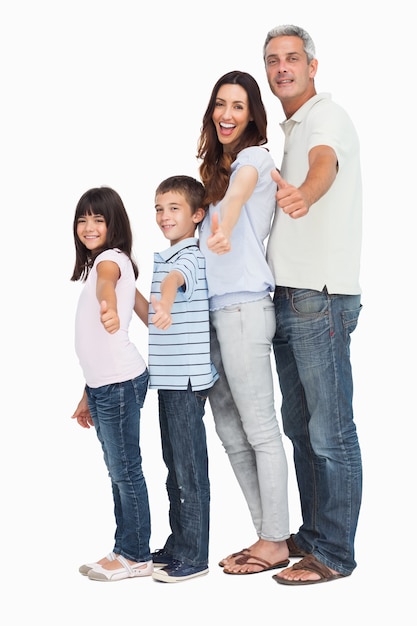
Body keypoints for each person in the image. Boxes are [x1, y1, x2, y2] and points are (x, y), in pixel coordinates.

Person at [263, 24, 363, 585]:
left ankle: (335, 553)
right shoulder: (292, 127)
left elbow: (324, 165)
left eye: (292, 58)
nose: (282, 68)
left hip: (318, 299)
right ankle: (313, 535)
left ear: (312, 65)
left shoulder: (324, 119)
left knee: (330, 432)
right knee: (300, 427)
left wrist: (305, 191)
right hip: (291, 297)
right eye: (274, 60)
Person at [197, 70, 290, 575]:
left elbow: (237, 200)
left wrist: (225, 226)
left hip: (245, 309)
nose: (227, 115)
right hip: (213, 311)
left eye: (237, 106)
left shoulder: (254, 159)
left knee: (260, 430)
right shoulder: (216, 170)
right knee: (230, 432)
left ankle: (276, 538)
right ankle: (267, 535)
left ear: (253, 113)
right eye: (219, 105)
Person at [70, 186, 153, 582]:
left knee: (126, 471)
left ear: (113, 224)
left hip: (120, 382)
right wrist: (87, 393)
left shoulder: (109, 261)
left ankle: (135, 555)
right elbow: (147, 314)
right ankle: (124, 548)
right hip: (105, 385)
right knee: (117, 470)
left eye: (98, 219)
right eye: (83, 219)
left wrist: (106, 306)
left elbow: (108, 283)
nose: (88, 226)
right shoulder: (106, 264)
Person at [146, 175, 219, 583]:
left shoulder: (189, 256)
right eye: (159, 208)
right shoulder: (170, 255)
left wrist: (166, 304)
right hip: (169, 380)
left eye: (174, 208)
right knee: (174, 467)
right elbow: (153, 312)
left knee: (189, 470)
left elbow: (176, 284)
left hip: (186, 381)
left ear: (197, 215)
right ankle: (178, 544)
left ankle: (194, 555)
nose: (163, 216)